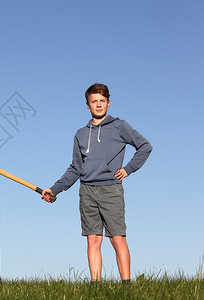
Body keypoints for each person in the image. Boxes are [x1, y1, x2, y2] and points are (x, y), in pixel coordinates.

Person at [42, 83, 152, 283]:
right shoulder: (81, 134)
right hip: (87, 191)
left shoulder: (120, 126)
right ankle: (96, 285)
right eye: (94, 102)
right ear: (87, 105)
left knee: (117, 238)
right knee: (93, 239)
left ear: (108, 103)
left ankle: (126, 284)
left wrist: (128, 169)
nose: (98, 105)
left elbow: (145, 146)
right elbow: (75, 168)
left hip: (111, 189)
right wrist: (55, 189)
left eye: (102, 101)